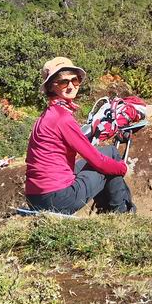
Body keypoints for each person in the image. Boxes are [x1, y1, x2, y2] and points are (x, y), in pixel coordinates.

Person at [25, 57, 135, 214]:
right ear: (51, 87)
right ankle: (120, 213)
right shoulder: (62, 118)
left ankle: (111, 208)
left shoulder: (47, 115)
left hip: (35, 198)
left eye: (74, 80)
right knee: (110, 164)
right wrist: (122, 168)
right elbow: (97, 161)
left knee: (109, 151)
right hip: (57, 198)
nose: (70, 86)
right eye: (64, 82)